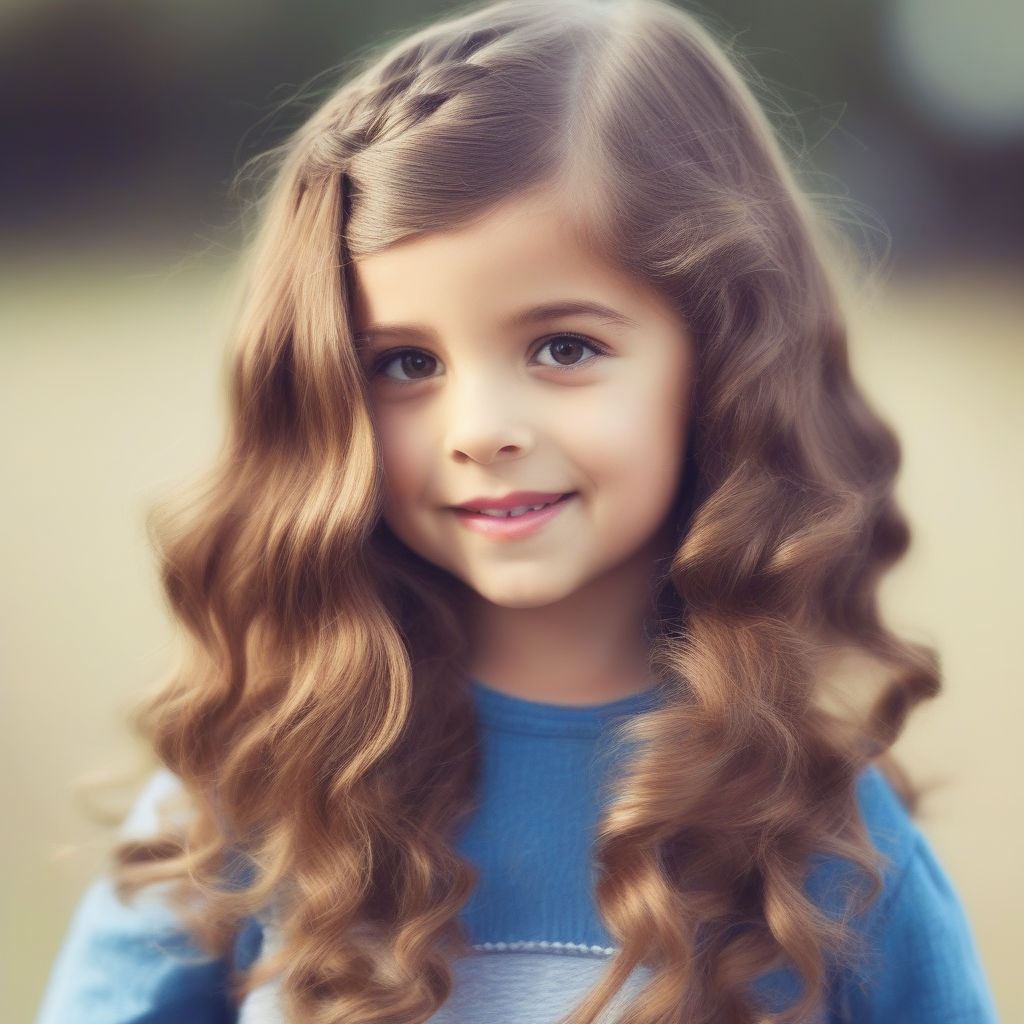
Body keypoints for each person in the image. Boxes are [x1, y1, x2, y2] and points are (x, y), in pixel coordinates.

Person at [36, 1, 998, 1021]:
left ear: (722, 362)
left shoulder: (828, 841)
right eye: (405, 364)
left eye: (563, 347)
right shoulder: (256, 796)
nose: (479, 428)